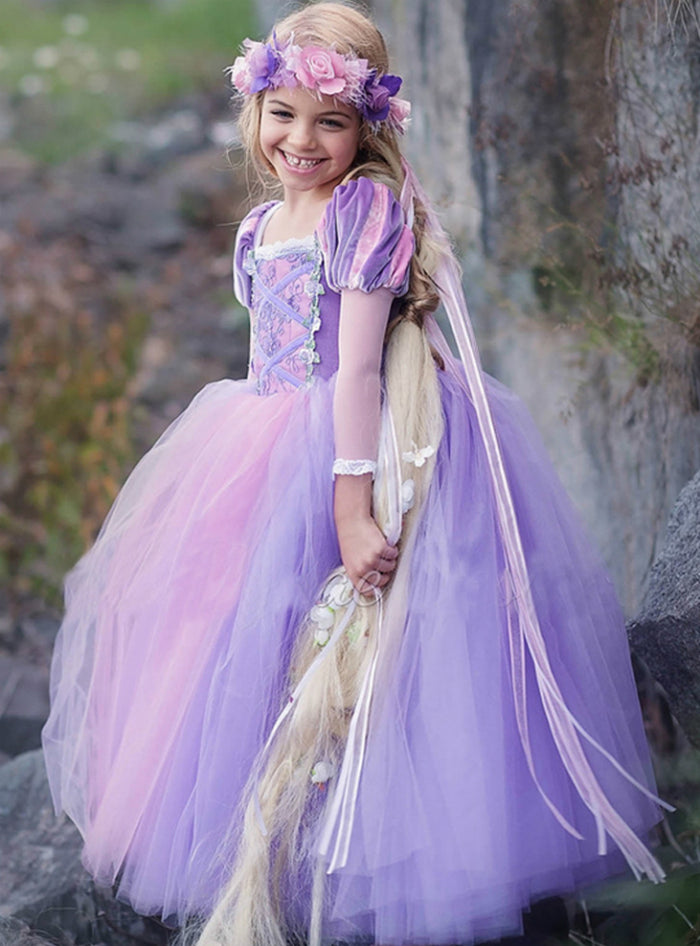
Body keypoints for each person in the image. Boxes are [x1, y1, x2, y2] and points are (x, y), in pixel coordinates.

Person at [42, 3, 668, 945]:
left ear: (366, 125)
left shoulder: (364, 212)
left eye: (329, 121)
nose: (302, 140)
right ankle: (274, 851)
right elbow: (272, 359)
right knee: (252, 634)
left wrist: (352, 506)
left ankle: (388, 853)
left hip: (362, 446)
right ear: (254, 110)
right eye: (282, 114)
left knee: (386, 640)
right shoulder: (262, 224)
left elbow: (360, 371)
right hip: (260, 440)